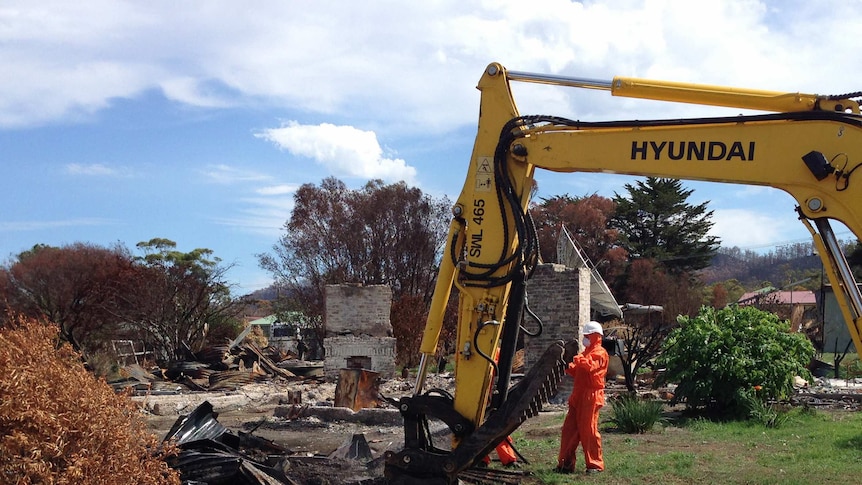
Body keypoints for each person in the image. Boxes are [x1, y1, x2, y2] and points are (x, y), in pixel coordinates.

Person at [556, 321, 609, 474]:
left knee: (589, 431)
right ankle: (565, 464)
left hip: (591, 396)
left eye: (587, 336)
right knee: (569, 430)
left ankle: (594, 465)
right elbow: (578, 371)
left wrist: (576, 359)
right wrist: (566, 365)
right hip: (578, 395)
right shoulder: (586, 352)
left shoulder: (600, 353)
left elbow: (590, 367)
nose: (585, 339)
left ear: (595, 336)